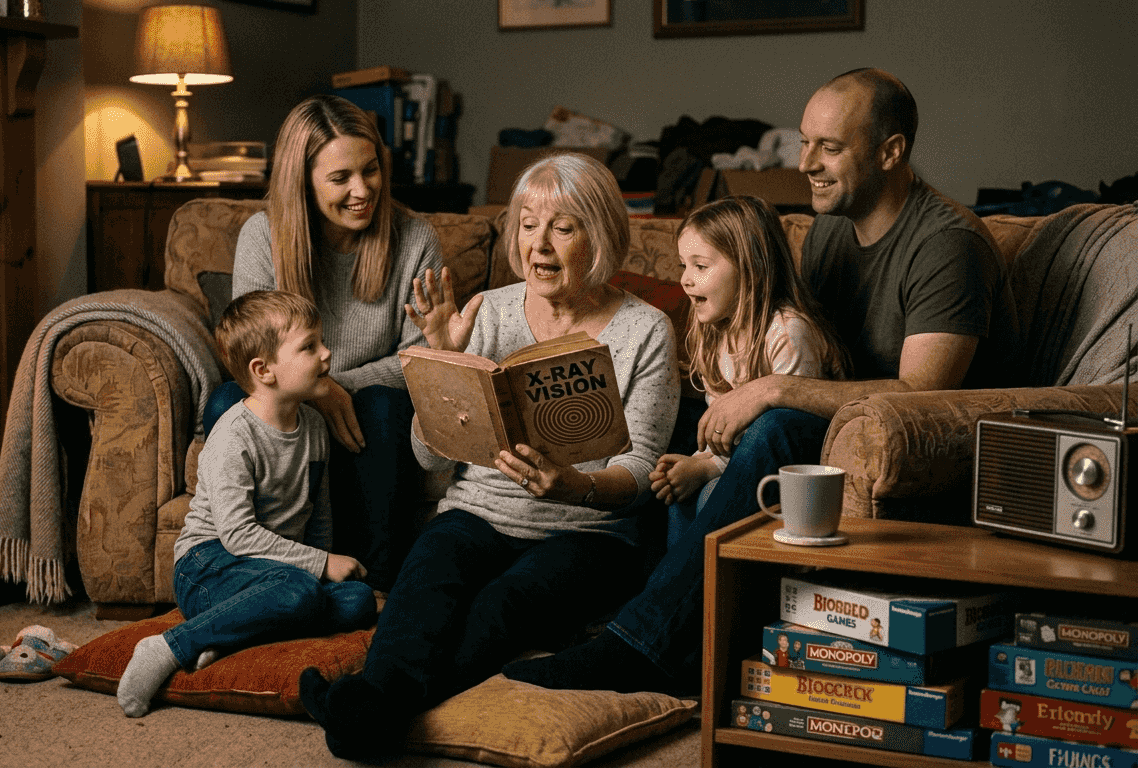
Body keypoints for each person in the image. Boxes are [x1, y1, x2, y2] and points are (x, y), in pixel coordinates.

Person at [503, 68, 1018, 695]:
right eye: (804, 143)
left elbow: (922, 399)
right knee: (681, 439)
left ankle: (642, 644)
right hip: (834, 433)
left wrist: (769, 389)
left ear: (891, 152)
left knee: (771, 422)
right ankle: (647, 617)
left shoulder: (946, 245)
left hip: (924, 462)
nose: (806, 164)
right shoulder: (832, 228)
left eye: (829, 148)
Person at [298, 152, 681, 759]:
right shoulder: (489, 310)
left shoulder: (646, 330)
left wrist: (571, 487)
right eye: (528, 225)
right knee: (423, 583)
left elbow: (638, 475)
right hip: (478, 512)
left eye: (563, 226)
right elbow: (430, 459)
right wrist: (443, 362)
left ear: (601, 234)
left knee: (503, 604)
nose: (540, 245)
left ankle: (368, 707)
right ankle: (376, 709)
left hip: (591, 533)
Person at [206, 94, 445, 593]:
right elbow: (250, 360)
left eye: (371, 170)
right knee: (228, 402)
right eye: (341, 179)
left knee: (384, 405)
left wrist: (333, 385)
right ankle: (256, 581)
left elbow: (420, 358)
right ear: (303, 181)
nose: (363, 190)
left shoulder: (415, 237)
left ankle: (375, 587)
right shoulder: (263, 234)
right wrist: (314, 390)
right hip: (287, 399)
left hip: (367, 407)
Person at [117, 290, 376, 718]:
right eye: (310, 346)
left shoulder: (313, 425)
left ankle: (226, 636)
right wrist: (320, 564)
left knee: (358, 601)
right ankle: (169, 646)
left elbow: (318, 520)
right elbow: (237, 536)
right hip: (208, 567)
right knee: (300, 590)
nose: (327, 354)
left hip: (273, 573)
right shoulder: (234, 436)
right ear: (264, 370)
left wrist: (322, 563)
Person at [647, 195, 850, 521]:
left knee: (708, 494)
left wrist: (705, 470)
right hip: (738, 461)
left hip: (793, 472)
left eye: (700, 266)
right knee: (678, 498)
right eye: (683, 265)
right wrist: (697, 463)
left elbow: (784, 437)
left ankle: (674, 574)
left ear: (750, 269)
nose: (685, 278)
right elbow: (723, 434)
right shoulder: (713, 332)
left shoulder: (788, 333)